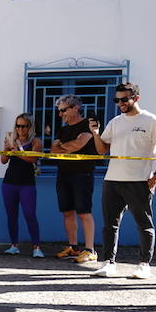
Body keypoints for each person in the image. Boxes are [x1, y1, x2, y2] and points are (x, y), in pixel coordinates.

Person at [90, 82, 156, 279]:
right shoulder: (115, 122)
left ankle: (144, 264)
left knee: (144, 224)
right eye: (117, 100)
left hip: (139, 180)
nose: (121, 103)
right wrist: (95, 133)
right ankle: (108, 263)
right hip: (112, 180)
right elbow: (101, 150)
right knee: (110, 225)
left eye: (125, 99)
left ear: (136, 98)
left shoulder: (152, 121)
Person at [47, 95, 99, 263]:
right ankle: (73, 247)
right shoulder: (62, 129)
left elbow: (75, 146)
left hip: (82, 174)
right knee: (67, 212)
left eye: (63, 110)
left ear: (75, 108)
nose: (60, 114)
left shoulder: (88, 125)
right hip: (63, 173)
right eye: (59, 111)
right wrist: (65, 147)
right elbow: (53, 152)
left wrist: (62, 146)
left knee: (84, 212)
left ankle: (90, 249)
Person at [0, 113, 44, 257]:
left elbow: (33, 158)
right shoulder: (12, 139)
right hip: (9, 181)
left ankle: (36, 247)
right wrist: (7, 149)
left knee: (30, 214)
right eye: (17, 126)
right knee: (11, 215)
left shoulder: (36, 141)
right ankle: (14, 245)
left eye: (23, 126)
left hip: (27, 183)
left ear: (30, 126)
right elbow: (3, 160)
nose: (20, 129)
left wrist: (17, 152)